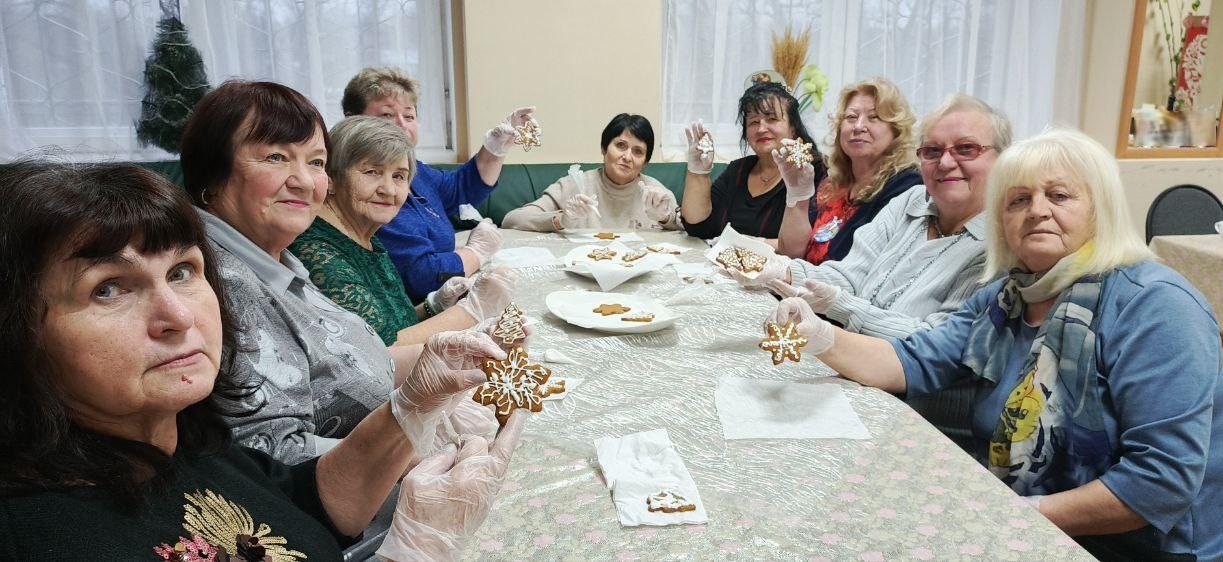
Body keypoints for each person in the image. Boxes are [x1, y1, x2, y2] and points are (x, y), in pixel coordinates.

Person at [0, 160, 525, 560]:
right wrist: (412, 552)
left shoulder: (181, 437)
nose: (178, 316)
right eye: (109, 289)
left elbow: (303, 501)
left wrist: (409, 408)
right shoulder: (44, 534)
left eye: (182, 271)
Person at [767, 129, 1223, 560]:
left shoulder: (1155, 307)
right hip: (1021, 512)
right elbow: (911, 361)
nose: (1037, 210)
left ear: (1101, 209)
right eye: (1018, 200)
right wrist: (819, 336)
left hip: (1136, 548)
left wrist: (1016, 517)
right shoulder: (1009, 295)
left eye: (1059, 196)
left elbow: (1160, 482)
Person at [180, 80, 515, 464]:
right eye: (275, 157)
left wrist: (448, 348)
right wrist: (413, 448)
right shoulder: (222, 283)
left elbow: (355, 356)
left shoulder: (280, 259)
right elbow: (270, 456)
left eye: (315, 162)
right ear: (211, 171)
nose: (304, 180)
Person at [742, 94, 1011, 448]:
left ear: (1004, 160)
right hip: (853, 375)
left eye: (966, 149)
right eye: (931, 151)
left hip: (921, 417)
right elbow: (850, 276)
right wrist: (782, 270)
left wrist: (840, 307)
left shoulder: (1002, 245)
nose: (946, 162)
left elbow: (931, 347)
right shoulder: (910, 202)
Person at [290, 116, 488, 347]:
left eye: (398, 176)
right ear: (331, 179)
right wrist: (472, 312)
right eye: (372, 172)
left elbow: (392, 323)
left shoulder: (365, 234)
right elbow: (381, 350)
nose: (389, 190)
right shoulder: (317, 253)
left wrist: (433, 305)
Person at [342, 66, 531, 302]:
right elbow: (420, 275)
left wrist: (495, 149)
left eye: (409, 116)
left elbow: (460, 187)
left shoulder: (417, 171)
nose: (401, 125)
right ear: (353, 121)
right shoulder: (365, 190)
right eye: (387, 116)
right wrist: (475, 253)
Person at [776, 77, 922, 265]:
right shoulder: (832, 186)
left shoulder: (905, 187)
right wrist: (797, 196)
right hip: (800, 286)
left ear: (896, 131)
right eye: (851, 117)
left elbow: (854, 266)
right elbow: (791, 253)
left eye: (874, 117)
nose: (859, 126)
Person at [680, 81, 827, 242]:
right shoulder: (738, 169)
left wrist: (748, 244)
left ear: (793, 128)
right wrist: (698, 172)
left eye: (772, 118)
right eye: (754, 122)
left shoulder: (810, 171)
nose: (761, 128)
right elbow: (697, 226)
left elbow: (815, 242)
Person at [501, 113, 680, 231]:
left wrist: (665, 219)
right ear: (603, 148)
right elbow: (511, 220)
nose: (627, 157)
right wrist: (561, 220)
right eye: (620, 146)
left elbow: (689, 233)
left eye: (638, 151)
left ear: (646, 163)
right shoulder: (575, 184)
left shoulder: (657, 194)